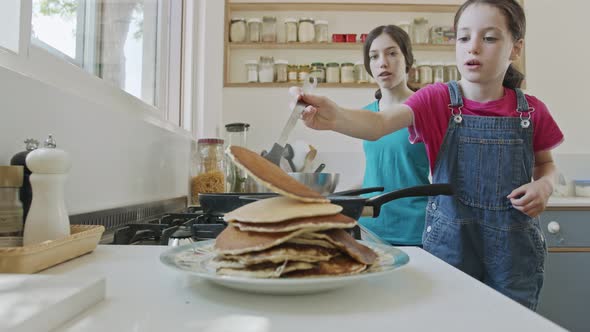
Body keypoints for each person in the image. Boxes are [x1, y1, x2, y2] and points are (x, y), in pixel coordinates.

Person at [295, 0, 564, 311]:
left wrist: (544, 186)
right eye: (463, 38)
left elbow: (546, 165)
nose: (473, 48)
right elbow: (379, 123)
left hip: (514, 255)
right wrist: (335, 116)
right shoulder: (437, 99)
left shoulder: (531, 110)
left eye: (489, 38)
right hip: (452, 249)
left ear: (515, 49)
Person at [358, 25, 430, 246]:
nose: (382, 62)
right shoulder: (366, 114)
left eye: (391, 53)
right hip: (369, 229)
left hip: (414, 231)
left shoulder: (426, 110)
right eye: (374, 56)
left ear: (407, 59)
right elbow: (376, 172)